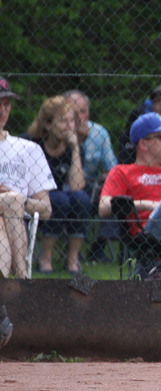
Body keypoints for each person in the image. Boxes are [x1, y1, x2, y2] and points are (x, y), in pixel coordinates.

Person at [98, 112, 161, 250]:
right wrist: (149, 205)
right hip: (148, 232)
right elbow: (103, 208)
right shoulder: (122, 171)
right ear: (143, 144)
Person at [24, 95, 91, 275]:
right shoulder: (31, 143)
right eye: (63, 121)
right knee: (60, 199)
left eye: (72, 121)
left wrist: (75, 148)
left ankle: (73, 259)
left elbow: (77, 186)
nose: (69, 126)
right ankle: (45, 258)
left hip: (63, 197)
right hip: (35, 197)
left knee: (81, 199)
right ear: (47, 124)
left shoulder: (74, 146)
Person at [0, 77, 55, 279]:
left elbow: (46, 209)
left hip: (13, 220)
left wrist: (20, 199)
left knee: (12, 199)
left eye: (6, 105)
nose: (2, 111)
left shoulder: (28, 149)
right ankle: (23, 280)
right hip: (16, 231)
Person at [62, 89, 119, 262]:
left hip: (93, 187)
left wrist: (107, 177)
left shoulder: (99, 133)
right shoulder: (58, 131)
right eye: (73, 112)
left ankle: (98, 247)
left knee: (116, 195)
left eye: (83, 111)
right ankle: (72, 251)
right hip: (64, 188)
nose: (79, 116)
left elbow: (112, 168)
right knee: (75, 198)